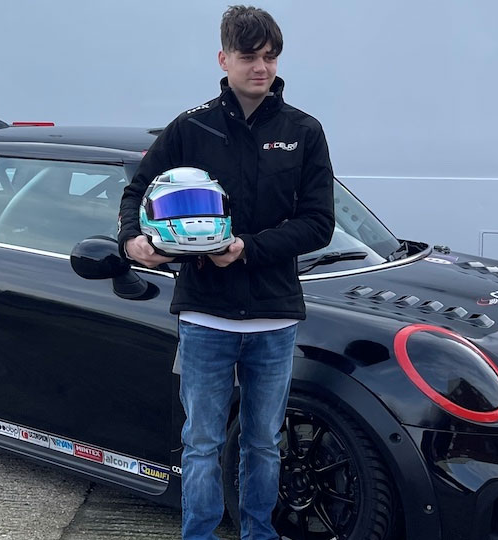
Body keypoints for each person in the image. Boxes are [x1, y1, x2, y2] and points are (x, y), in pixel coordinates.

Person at [117, 5, 335, 539]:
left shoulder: (304, 131)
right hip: (205, 316)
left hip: (274, 317)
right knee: (201, 443)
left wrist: (246, 249)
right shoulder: (190, 127)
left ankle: (259, 533)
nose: (261, 67)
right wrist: (133, 241)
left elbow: (319, 224)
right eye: (248, 56)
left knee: (263, 443)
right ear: (223, 58)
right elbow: (137, 192)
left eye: (270, 56)